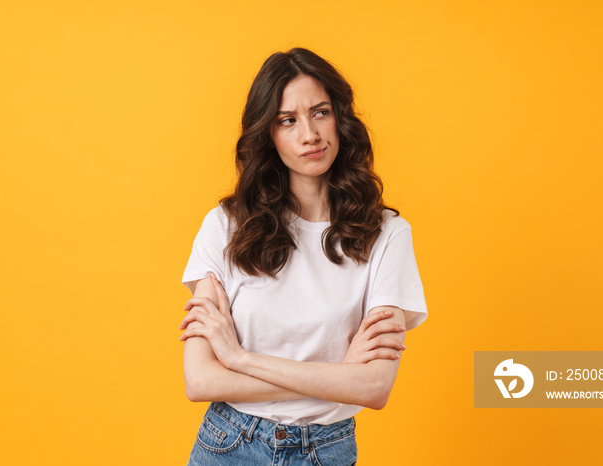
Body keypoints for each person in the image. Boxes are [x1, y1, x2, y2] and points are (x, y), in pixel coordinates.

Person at [179, 47, 427, 465]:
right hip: (228, 445)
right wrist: (338, 378)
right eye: (287, 120)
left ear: (341, 119)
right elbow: (200, 380)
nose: (309, 134)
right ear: (268, 134)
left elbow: (373, 388)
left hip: (325, 451)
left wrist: (239, 360)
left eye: (321, 112)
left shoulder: (387, 235)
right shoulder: (226, 226)